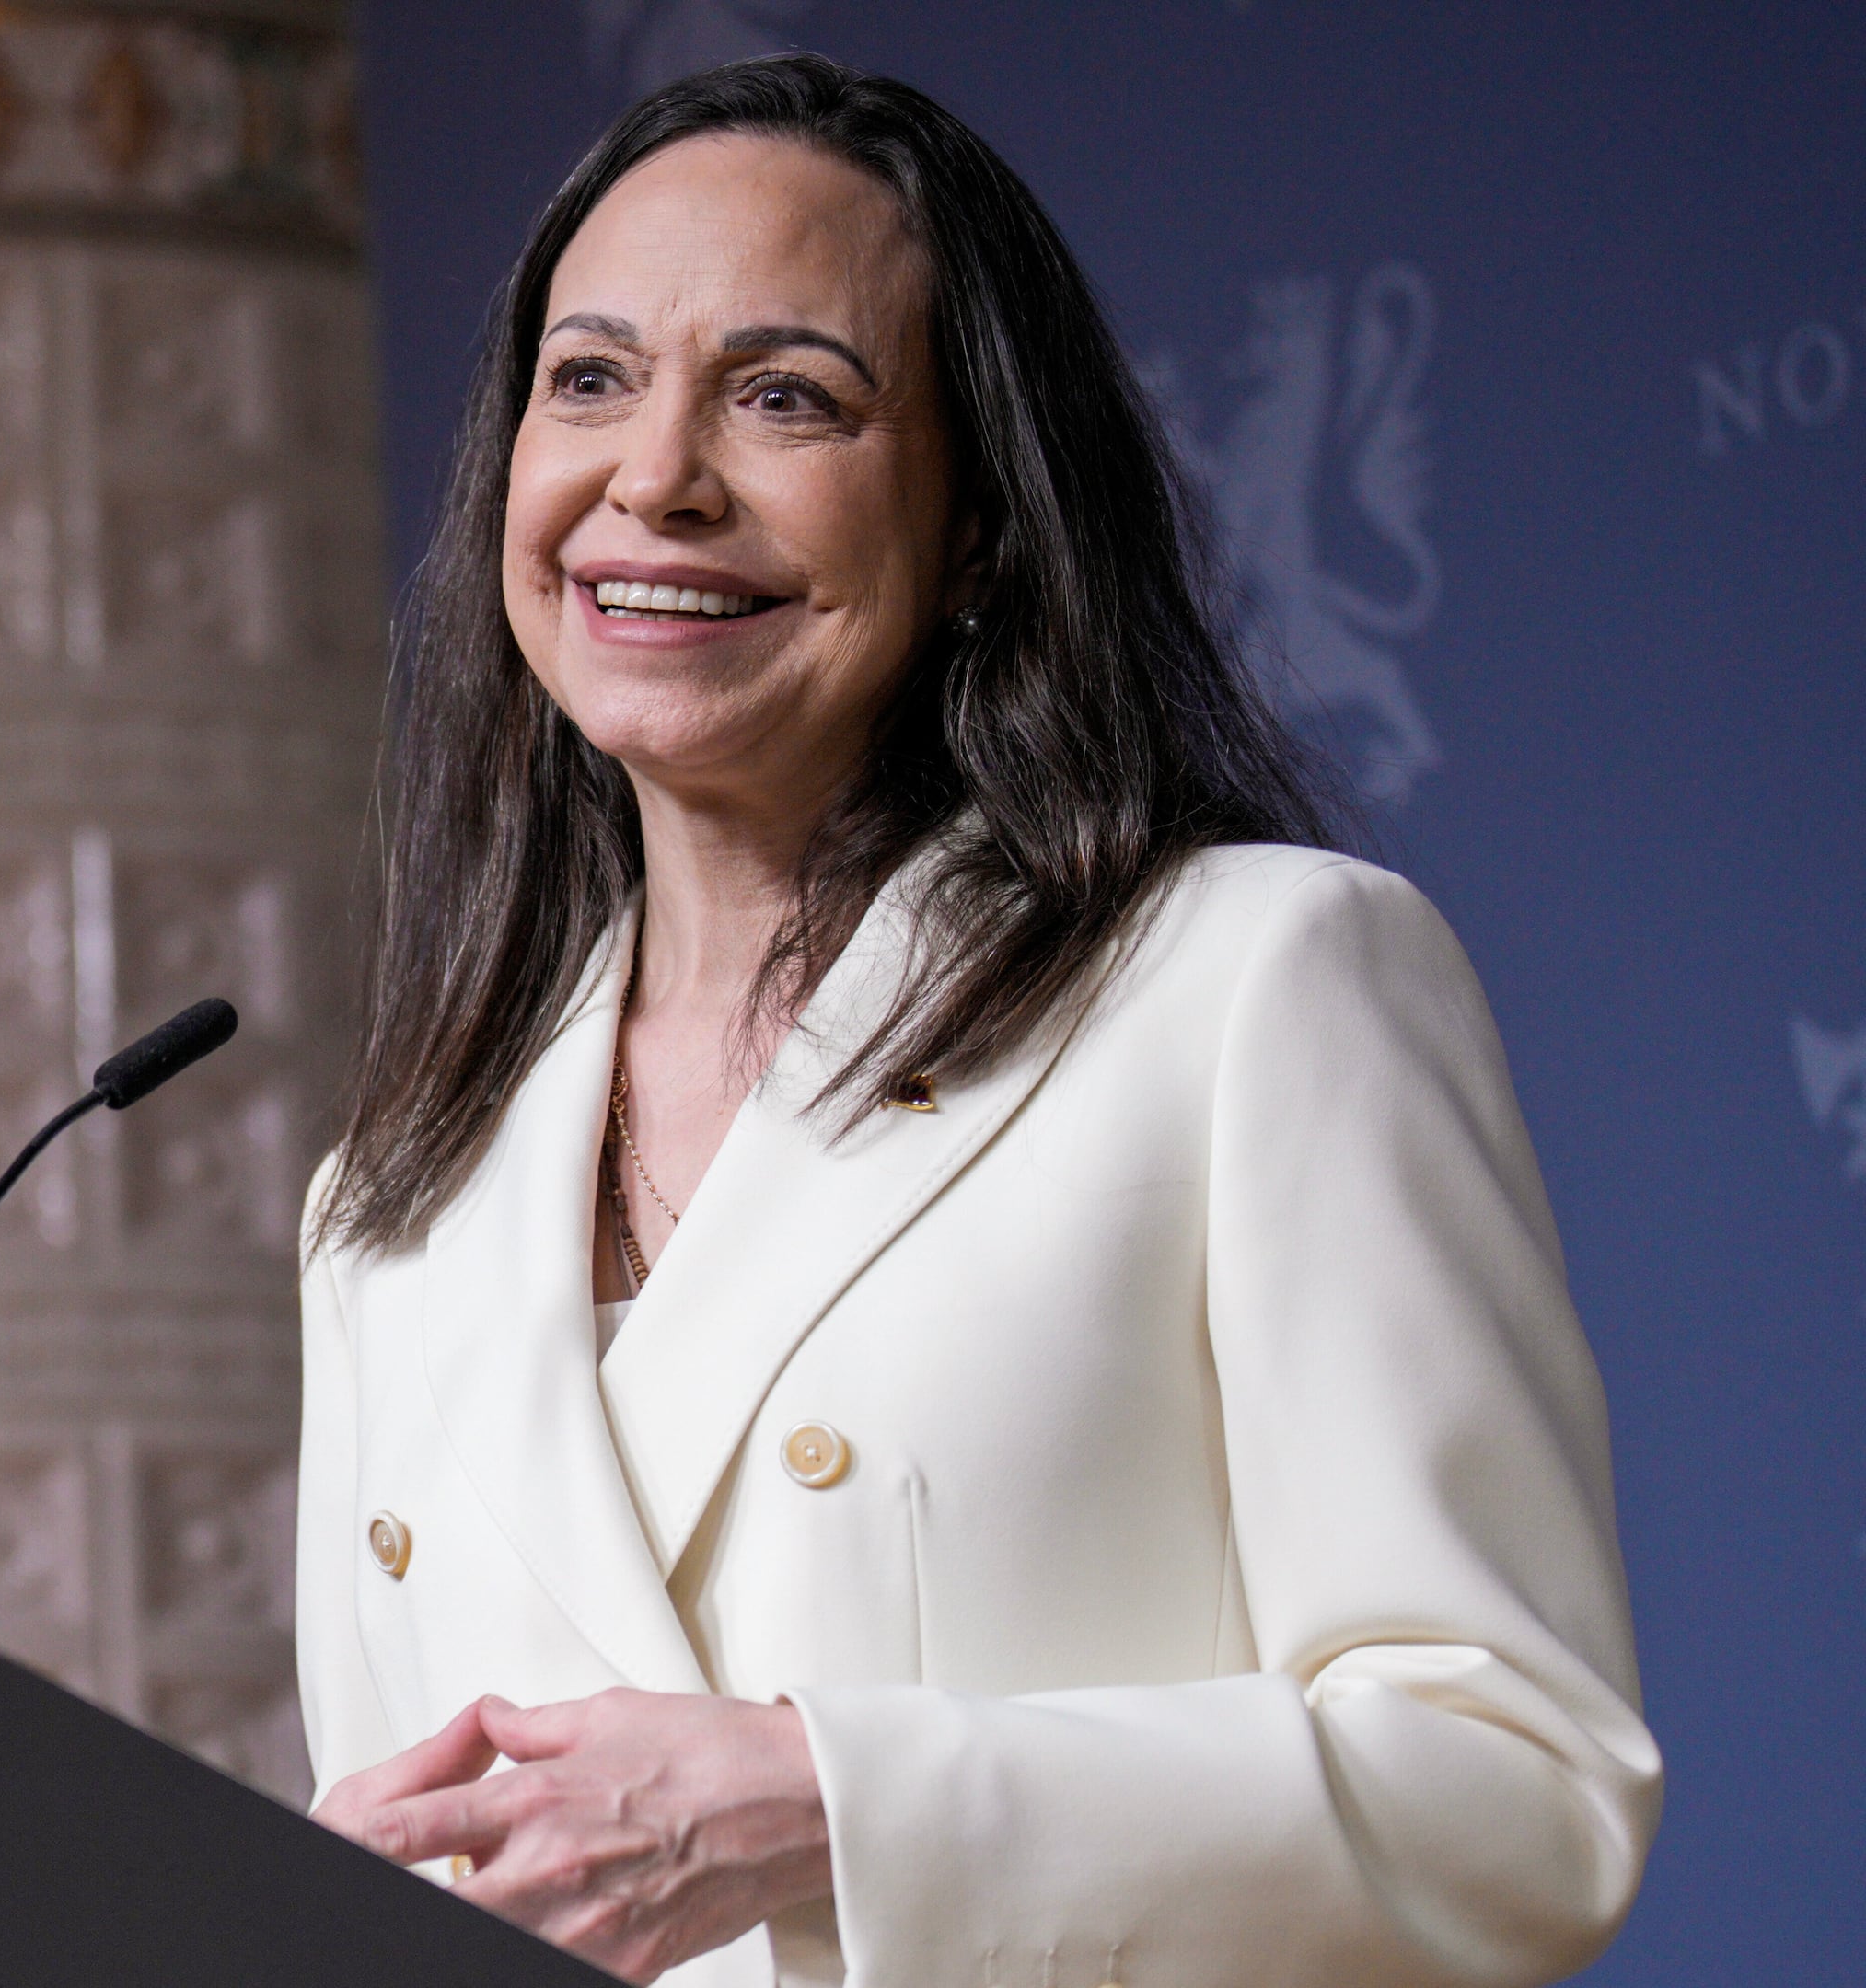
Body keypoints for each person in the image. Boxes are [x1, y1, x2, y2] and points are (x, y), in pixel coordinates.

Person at [294, 54, 1656, 1988]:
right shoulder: (390, 1210)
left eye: (786, 398)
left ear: (986, 530)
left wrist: (830, 1801)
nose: (654, 476)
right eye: (588, 380)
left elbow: (1521, 1789)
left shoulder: (1258, 984)